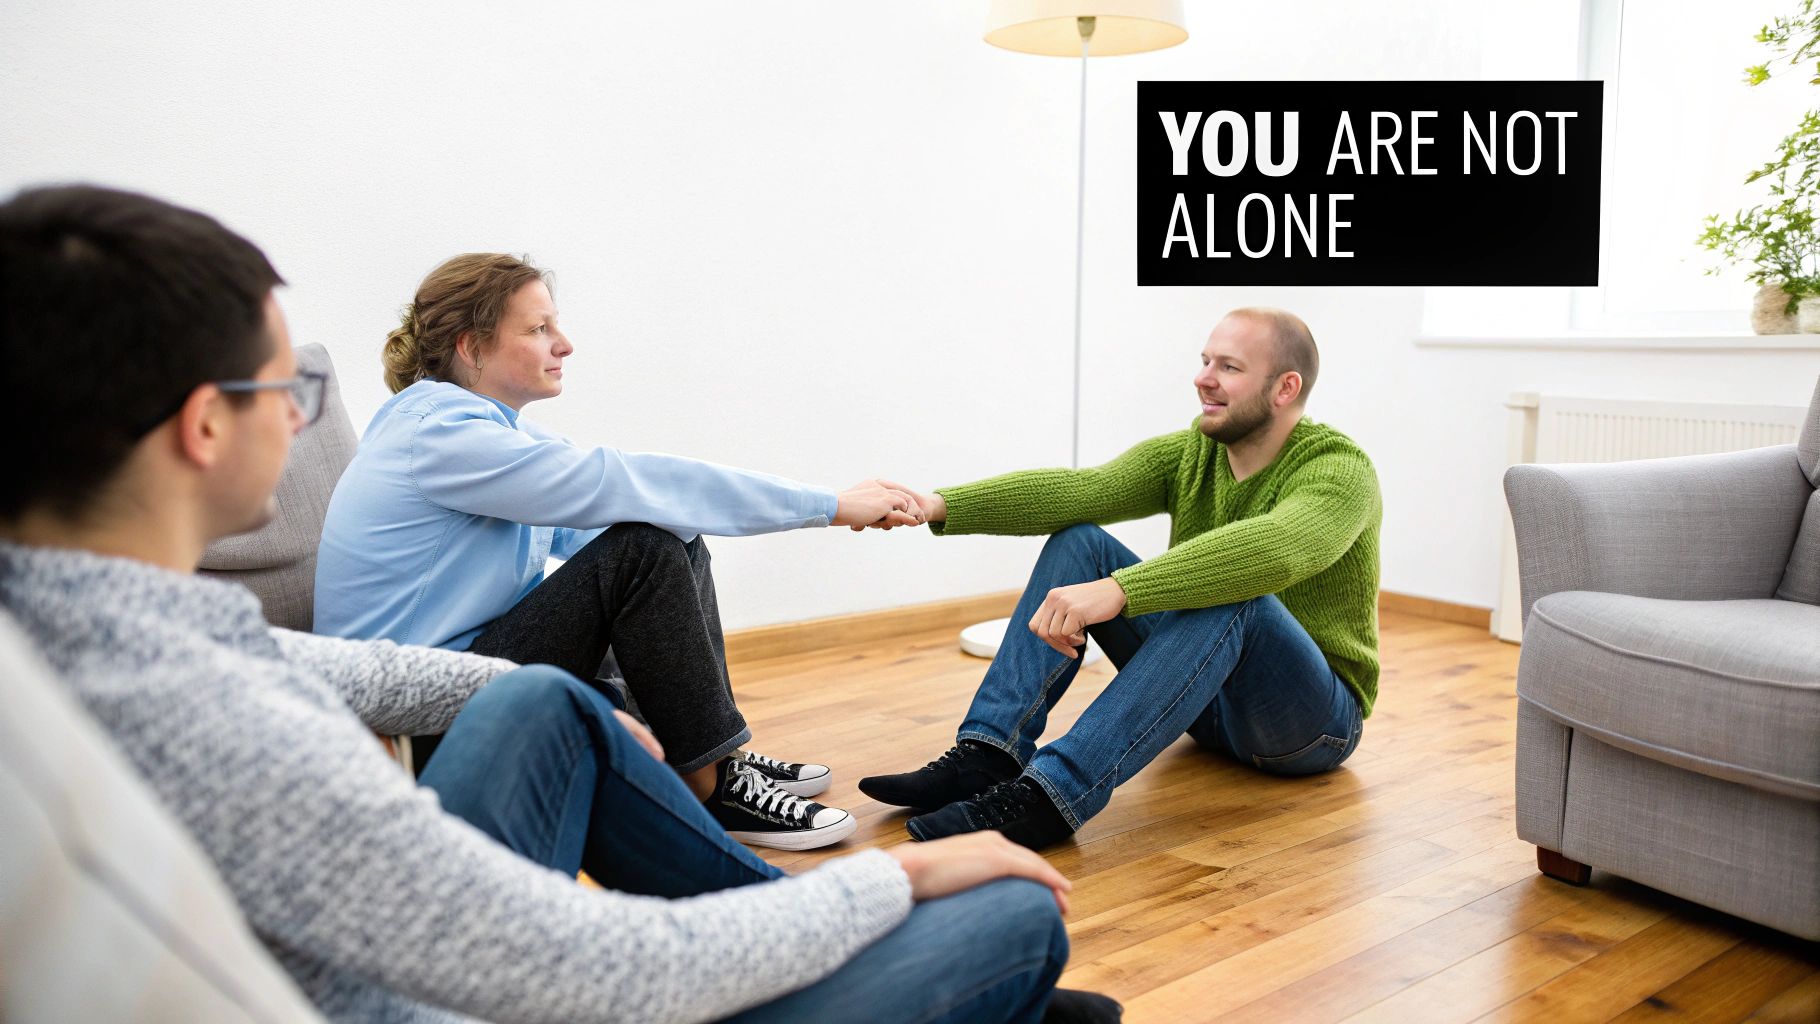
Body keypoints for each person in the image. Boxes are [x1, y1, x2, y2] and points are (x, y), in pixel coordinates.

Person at [0, 184, 1123, 1024]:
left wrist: (576, 703)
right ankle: (819, 887)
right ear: (203, 426)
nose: (306, 424)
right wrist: (894, 877)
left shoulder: (103, 627)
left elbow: (355, 669)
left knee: (559, 687)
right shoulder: (215, 724)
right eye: (290, 386)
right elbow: (595, 963)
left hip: (464, 867)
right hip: (491, 994)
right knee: (1011, 919)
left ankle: (751, 838)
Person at [314, 253, 914, 850]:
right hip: (410, 721)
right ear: (472, 348)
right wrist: (829, 504)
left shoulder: (489, 433)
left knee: (673, 531)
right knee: (644, 547)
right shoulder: (441, 436)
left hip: (468, 677)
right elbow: (624, 481)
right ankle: (709, 789)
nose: (564, 344)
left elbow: (630, 506)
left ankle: (716, 757)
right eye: (538, 328)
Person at [860, 308, 1381, 851]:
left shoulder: (1340, 472)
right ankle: (989, 754)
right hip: (1204, 707)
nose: (1203, 377)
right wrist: (938, 505)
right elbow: (1084, 490)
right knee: (1080, 541)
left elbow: (1274, 549)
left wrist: (1120, 591)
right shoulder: (1193, 453)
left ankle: (1051, 798)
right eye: (1205, 361)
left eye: (1229, 366)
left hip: (1310, 727)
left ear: (1284, 388)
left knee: (1236, 594)